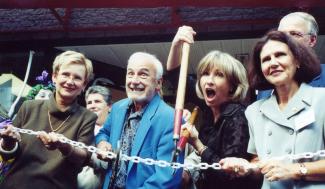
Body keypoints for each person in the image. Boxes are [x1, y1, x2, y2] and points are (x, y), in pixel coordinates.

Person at [220, 30, 325, 189]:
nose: (273, 63)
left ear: (297, 60)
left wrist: (296, 170)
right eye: (266, 59)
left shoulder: (321, 99)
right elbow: (259, 163)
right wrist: (246, 167)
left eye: (280, 55)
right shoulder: (254, 111)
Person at [166, 26, 260, 189]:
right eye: (205, 74)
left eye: (219, 74)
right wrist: (176, 44)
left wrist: (198, 145)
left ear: (232, 86)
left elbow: (230, 175)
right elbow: (175, 75)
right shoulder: (210, 106)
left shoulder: (238, 118)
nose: (209, 80)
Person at [0, 50, 97, 189]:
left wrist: (64, 146)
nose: (70, 81)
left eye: (77, 77)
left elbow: (82, 158)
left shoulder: (87, 117)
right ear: (54, 77)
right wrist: (7, 142)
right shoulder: (29, 107)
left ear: (84, 85)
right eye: (65, 74)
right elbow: (9, 153)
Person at [95, 52, 183, 189]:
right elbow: (103, 133)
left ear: (158, 83)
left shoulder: (171, 119)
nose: (134, 81)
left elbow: (167, 178)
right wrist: (102, 143)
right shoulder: (118, 108)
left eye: (143, 74)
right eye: (130, 73)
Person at [257, 12, 325, 99]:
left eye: (294, 34)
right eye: (281, 35)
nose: (286, 40)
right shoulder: (267, 82)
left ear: (312, 40)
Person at [78, 85, 113, 189]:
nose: (92, 106)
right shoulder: (81, 127)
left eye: (97, 101)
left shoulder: (114, 132)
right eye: (89, 103)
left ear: (109, 106)